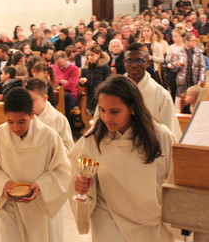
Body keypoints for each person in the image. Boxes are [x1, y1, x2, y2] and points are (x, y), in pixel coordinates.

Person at [69, 75, 176, 242]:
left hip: (150, 221)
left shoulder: (160, 136)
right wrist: (81, 184)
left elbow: (174, 179)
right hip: (109, 215)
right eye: (102, 110)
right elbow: (79, 170)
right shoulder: (95, 137)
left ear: (132, 108)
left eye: (114, 111)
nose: (106, 118)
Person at [0, 87, 70, 242]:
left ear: (32, 114)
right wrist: (4, 183)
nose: (16, 128)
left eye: (22, 121)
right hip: (10, 204)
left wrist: (41, 185)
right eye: (10, 122)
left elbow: (62, 169)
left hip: (40, 202)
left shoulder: (49, 136)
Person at [122, 43, 182, 140]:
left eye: (139, 60)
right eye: (129, 60)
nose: (133, 65)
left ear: (148, 63)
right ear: (123, 62)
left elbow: (169, 134)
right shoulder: (114, 90)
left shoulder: (161, 95)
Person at [25, 78, 74, 152]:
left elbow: (69, 149)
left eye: (33, 100)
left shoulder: (58, 119)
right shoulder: (22, 117)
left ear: (45, 98)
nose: (29, 104)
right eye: (26, 100)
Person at [173, 32, 206, 111]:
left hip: (194, 82)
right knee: (180, 104)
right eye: (192, 40)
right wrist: (177, 64)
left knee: (195, 105)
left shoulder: (199, 53)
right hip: (182, 81)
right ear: (186, 42)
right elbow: (173, 68)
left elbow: (202, 67)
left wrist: (201, 80)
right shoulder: (179, 52)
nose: (194, 42)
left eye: (195, 40)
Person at [80, 44, 111, 115]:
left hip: (101, 97)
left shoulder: (105, 67)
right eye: (88, 55)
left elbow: (109, 83)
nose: (90, 57)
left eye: (92, 55)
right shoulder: (86, 67)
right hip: (90, 96)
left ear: (99, 55)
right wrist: (81, 81)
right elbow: (82, 82)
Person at [52, 51, 79, 129]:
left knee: (65, 97)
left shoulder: (74, 69)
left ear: (66, 59)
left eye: (61, 65)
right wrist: (61, 81)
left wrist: (59, 84)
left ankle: (66, 126)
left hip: (71, 95)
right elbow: (52, 82)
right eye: (58, 65)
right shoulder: (54, 67)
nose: (60, 67)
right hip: (56, 93)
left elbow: (72, 85)